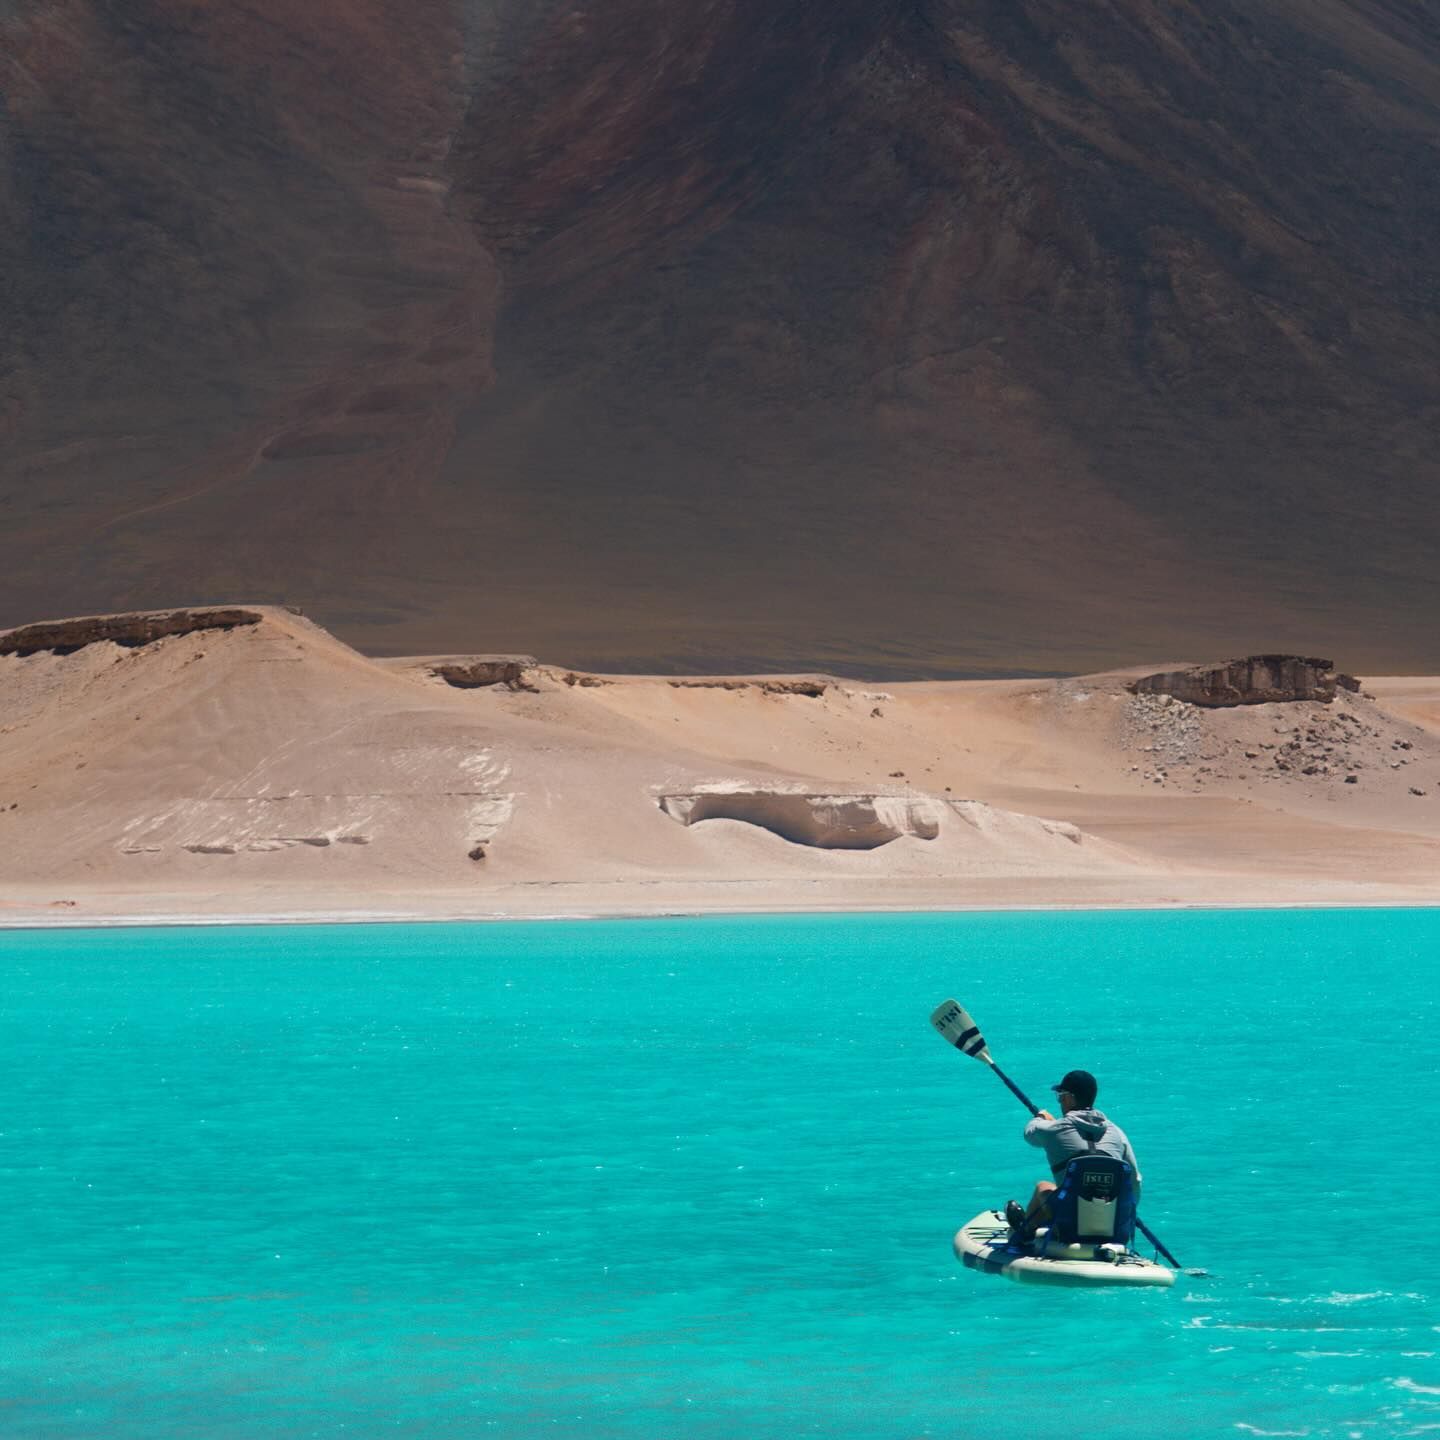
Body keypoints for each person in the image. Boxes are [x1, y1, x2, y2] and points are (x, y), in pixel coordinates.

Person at [1005, 1069, 1141, 1242]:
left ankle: (1026, 1233)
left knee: (1043, 1187)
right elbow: (1135, 1180)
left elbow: (1029, 1133)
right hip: (1113, 1224)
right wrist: (1127, 1213)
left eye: (1061, 1096)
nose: (1060, 1101)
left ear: (1069, 1098)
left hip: (1069, 1223)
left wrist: (1041, 1118)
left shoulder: (1054, 1129)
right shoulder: (1117, 1132)